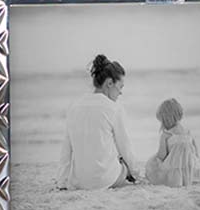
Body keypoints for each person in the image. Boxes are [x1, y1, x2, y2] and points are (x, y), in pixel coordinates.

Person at [55, 54, 139, 190]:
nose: (120, 93)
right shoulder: (114, 108)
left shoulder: (74, 106)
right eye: (120, 87)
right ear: (109, 83)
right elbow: (125, 146)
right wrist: (135, 173)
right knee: (124, 163)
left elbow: (66, 151)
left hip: (79, 182)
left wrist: (62, 182)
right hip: (106, 180)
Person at [145, 98, 200, 187]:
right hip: (189, 168)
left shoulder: (166, 134)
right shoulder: (188, 133)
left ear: (165, 119)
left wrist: (155, 160)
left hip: (174, 171)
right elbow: (195, 152)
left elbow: (162, 155)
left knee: (151, 163)